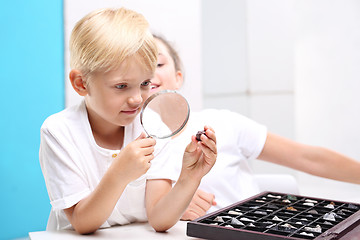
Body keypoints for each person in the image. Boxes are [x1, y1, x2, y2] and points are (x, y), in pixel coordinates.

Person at [39, 8, 217, 234]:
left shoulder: (153, 127)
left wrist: (189, 178)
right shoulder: (58, 131)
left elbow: (160, 219)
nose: (137, 98)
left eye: (145, 84)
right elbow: (82, 223)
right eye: (121, 86)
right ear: (81, 84)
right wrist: (119, 173)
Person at [151, 34, 360, 220]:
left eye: (159, 64)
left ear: (179, 77)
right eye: (142, 67)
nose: (150, 73)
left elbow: (307, 157)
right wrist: (175, 201)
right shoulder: (134, 148)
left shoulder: (222, 123)